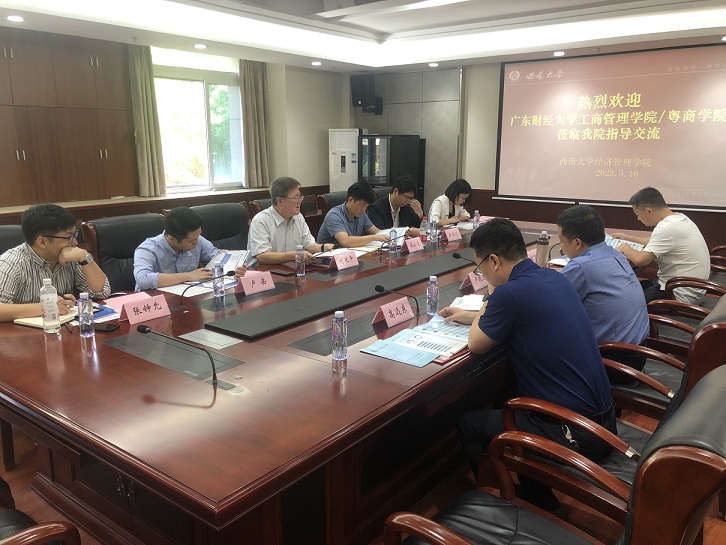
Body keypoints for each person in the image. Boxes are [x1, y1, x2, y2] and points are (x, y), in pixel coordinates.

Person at [438, 219, 614, 510]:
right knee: (507, 398)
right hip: (603, 422)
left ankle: (498, 506)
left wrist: (489, 298)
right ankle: (539, 496)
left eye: (479, 266)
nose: (481, 273)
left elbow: (476, 344)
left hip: (575, 433)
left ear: (494, 261)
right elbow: (523, 314)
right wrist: (471, 316)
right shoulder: (554, 277)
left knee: (469, 424)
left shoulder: (507, 293)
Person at [556, 205, 650, 379]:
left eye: (561, 241)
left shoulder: (580, 266)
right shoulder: (615, 254)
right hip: (638, 352)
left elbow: (549, 305)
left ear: (577, 243)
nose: (561, 248)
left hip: (612, 362)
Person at [0, 204, 111, 322]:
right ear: (42, 242)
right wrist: (47, 307)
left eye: (75, 235)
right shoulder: (11, 263)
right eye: (69, 237)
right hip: (22, 332)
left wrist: (85, 258)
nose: (75, 242)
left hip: (63, 328)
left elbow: (102, 293)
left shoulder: (71, 256)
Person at [611, 187, 710, 304]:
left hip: (677, 293)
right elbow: (654, 241)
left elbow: (640, 260)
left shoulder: (666, 227)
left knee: (624, 302)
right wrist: (628, 238)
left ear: (649, 211)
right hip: (689, 286)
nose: (638, 219)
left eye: (638, 215)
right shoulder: (680, 218)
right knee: (628, 289)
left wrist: (624, 247)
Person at [134, 207, 246, 291]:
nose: (197, 243)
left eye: (198, 237)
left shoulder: (197, 239)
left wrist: (235, 268)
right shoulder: (147, 249)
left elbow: (219, 257)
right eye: (192, 241)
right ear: (172, 238)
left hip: (188, 297)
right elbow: (143, 279)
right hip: (156, 303)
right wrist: (189, 276)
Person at [248, 177, 333, 265]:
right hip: (265, 271)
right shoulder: (261, 221)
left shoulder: (298, 217)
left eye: (300, 196)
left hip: (290, 269)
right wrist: (294, 255)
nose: (300, 201)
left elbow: (308, 244)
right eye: (296, 197)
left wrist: (323, 248)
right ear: (280, 201)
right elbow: (262, 256)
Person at [316, 180, 389, 247]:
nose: (364, 209)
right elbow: (345, 241)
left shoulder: (362, 214)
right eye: (362, 205)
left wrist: (389, 236)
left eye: (366, 206)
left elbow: (377, 232)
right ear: (350, 200)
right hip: (326, 255)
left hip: (349, 254)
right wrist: (373, 237)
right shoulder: (334, 215)